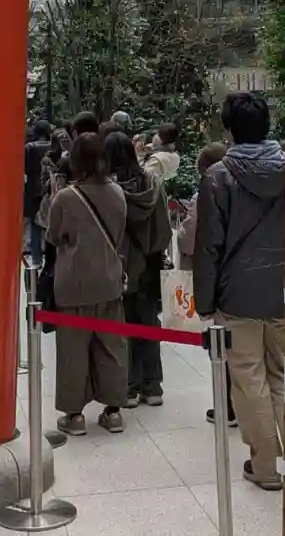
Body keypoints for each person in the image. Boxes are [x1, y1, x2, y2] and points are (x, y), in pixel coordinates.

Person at [194, 93, 285, 493]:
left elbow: (209, 245)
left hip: (237, 294)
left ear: (229, 129)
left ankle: (265, 466)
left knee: (249, 378)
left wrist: (204, 301)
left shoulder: (218, 177)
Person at [46, 131, 128, 436]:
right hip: (109, 279)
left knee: (73, 349)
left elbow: (53, 236)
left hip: (74, 283)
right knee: (111, 346)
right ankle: (114, 412)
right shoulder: (118, 192)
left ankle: (75, 415)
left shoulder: (66, 198)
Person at [105, 130, 171, 408]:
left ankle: (129, 387)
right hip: (149, 262)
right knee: (149, 323)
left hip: (118, 265)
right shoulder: (152, 184)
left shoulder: (108, 190)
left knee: (123, 327)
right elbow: (164, 227)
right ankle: (152, 386)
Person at [178, 142, 235, 428]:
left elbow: (191, 238)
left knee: (225, 346)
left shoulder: (207, 193)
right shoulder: (246, 185)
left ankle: (229, 408)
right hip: (252, 277)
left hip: (221, 280)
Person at [23, 122, 52, 264]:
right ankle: (49, 256)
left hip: (32, 188)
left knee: (35, 223)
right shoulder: (53, 146)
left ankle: (36, 258)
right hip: (49, 188)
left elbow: (24, 167)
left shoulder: (29, 148)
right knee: (49, 222)